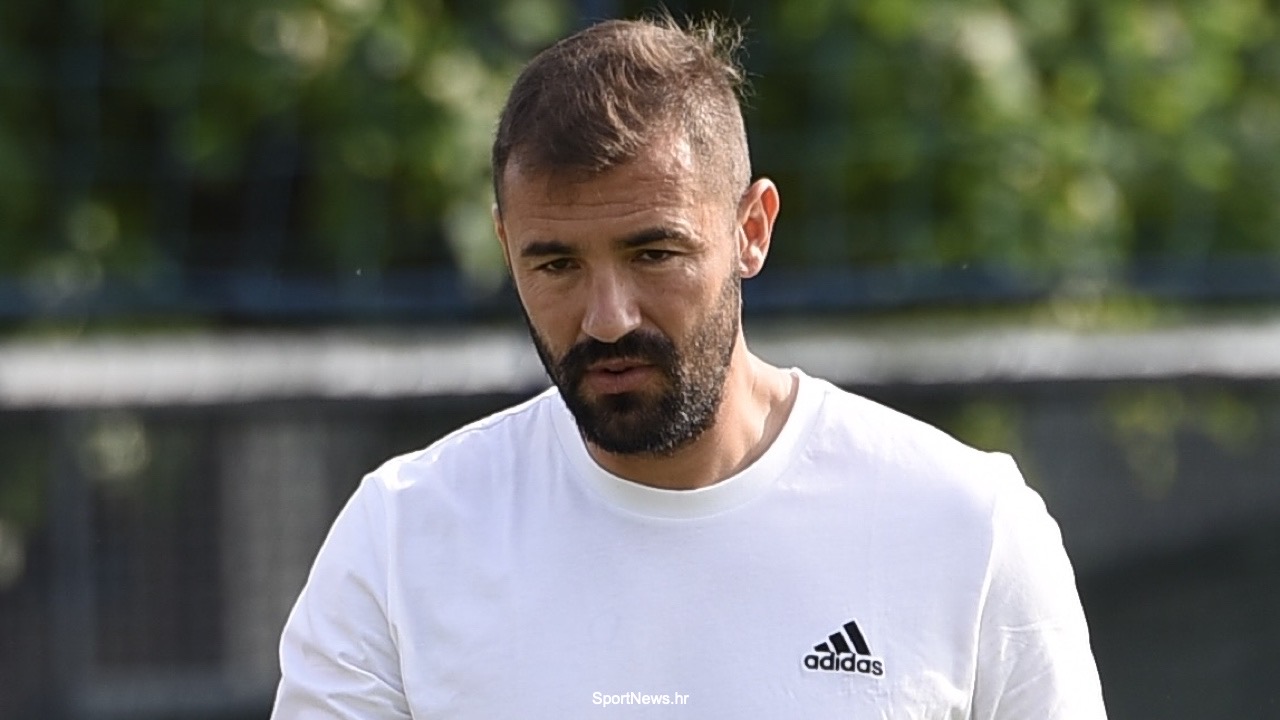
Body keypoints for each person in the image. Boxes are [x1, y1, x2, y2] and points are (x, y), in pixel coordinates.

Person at [270, 15, 1107, 719]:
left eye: (654, 253)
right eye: (555, 264)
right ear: (504, 245)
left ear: (752, 229)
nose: (607, 317)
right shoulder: (401, 541)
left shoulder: (968, 527)